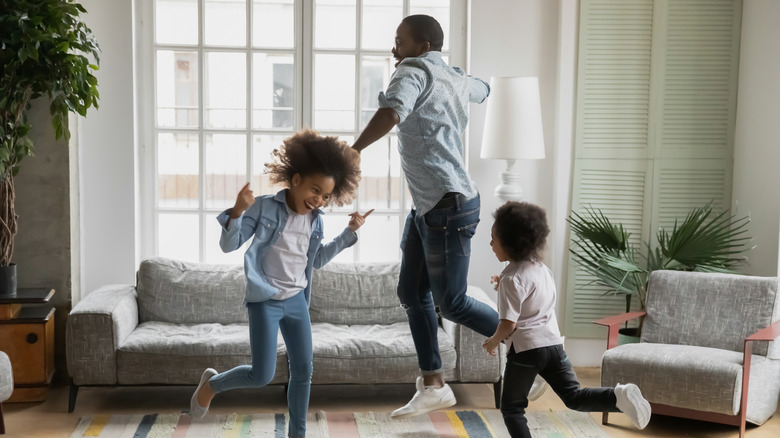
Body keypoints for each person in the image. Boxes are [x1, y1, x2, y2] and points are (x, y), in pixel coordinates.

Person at [351, 14, 498, 418]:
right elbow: (482, 90)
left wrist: (355, 149)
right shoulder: (451, 75)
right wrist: (481, 84)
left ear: (423, 47)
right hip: (432, 206)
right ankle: (433, 383)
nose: (394, 49)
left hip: (447, 207)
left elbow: (393, 110)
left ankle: (528, 346)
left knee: (450, 303)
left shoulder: (412, 71)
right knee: (411, 294)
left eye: (400, 41)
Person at [190, 130, 371, 438]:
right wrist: (236, 211)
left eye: (326, 195)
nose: (319, 199)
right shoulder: (263, 208)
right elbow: (228, 246)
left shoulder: (316, 220)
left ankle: (297, 434)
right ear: (296, 179)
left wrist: (348, 233)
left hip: (298, 301)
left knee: (303, 372)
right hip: (265, 302)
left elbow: (316, 260)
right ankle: (211, 385)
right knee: (261, 375)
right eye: (315, 190)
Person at [483, 201, 651, 437]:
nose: (490, 243)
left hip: (526, 351)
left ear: (511, 243)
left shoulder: (511, 279)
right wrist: (503, 283)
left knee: (512, 408)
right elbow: (532, 296)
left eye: (493, 238)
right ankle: (617, 396)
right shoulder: (540, 269)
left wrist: (493, 340)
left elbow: (509, 325)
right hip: (553, 345)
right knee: (574, 396)